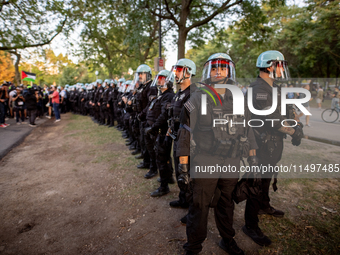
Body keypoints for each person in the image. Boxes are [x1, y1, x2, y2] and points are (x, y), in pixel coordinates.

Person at [176, 53, 258, 255]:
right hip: (206, 159)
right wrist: (183, 166)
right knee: (200, 204)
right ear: (208, 72)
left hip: (232, 159)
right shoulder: (196, 98)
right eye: (214, 68)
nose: (218, 71)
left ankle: (227, 240)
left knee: (226, 202)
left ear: (229, 71)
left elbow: (248, 129)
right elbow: (185, 133)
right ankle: (193, 247)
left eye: (222, 67)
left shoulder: (240, 97)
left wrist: (253, 158)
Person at [243, 50, 304, 246]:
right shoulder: (258, 89)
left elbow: (285, 112)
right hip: (261, 144)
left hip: (274, 143)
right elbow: (273, 120)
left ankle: (264, 205)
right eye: (280, 65)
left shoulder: (275, 87)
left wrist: (296, 122)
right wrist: (294, 132)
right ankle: (250, 225)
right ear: (270, 66)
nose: (282, 69)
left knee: (266, 177)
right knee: (256, 182)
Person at [167, 59, 197, 210]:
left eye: (179, 70)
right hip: (177, 137)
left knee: (187, 173)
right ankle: (183, 198)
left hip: (187, 140)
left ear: (188, 72)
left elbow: (191, 120)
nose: (176, 73)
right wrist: (171, 127)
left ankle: (192, 207)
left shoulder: (194, 92)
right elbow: (175, 114)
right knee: (178, 169)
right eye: (176, 70)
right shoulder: (178, 93)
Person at [144, 70, 175, 196]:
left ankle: (164, 186)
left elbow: (163, 115)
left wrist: (153, 127)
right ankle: (168, 177)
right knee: (165, 156)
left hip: (162, 131)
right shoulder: (161, 94)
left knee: (162, 158)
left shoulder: (168, 96)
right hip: (160, 131)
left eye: (162, 78)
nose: (159, 80)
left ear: (168, 81)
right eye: (159, 78)